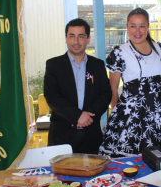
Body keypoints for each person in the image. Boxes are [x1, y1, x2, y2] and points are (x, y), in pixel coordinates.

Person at [99, 8, 161, 158]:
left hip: (158, 114)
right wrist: (116, 116)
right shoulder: (119, 53)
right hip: (129, 115)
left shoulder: (160, 50)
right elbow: (113, 88)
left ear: (148, 27)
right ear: (127, 27)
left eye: (142, 26)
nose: (137, 30)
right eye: (133, 26)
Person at [44, 18, 112, 154]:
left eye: (81, 36)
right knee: (61, 175)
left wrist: (87, 117)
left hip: (91, 135)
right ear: (66, 38)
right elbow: (52, 96)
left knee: (93, 174)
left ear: (88, 39)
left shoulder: (97, 65)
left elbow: (106, 94)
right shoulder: (54, 65)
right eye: (72, 36)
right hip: (62, 137)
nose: (76, 41)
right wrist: (77, 115)